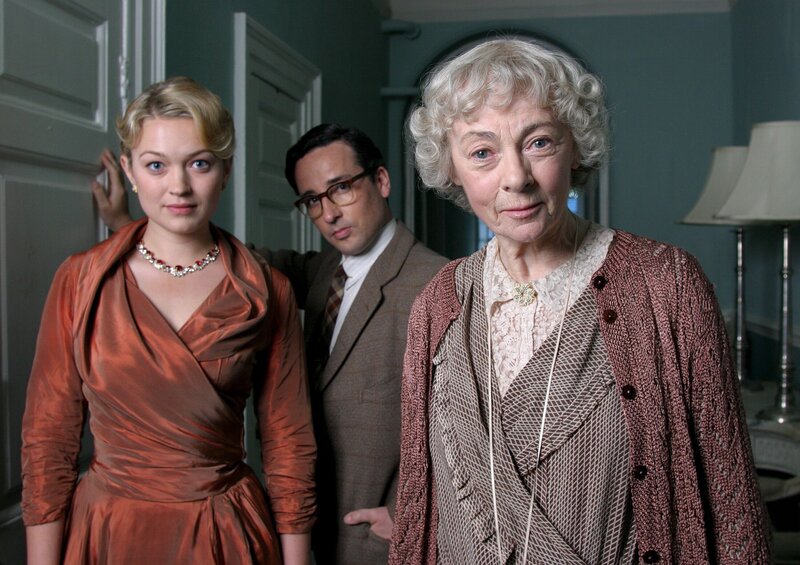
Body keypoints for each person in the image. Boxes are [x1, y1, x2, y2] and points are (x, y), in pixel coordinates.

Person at [389, 39, 771, 564]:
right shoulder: (437, 302)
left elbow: (732, 507)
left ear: (575, 146)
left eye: (539, 142)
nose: (516, 178)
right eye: (481, 153)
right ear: (452, 168)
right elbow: (420, 500)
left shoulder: (668, 284)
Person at [94, 123, 447, 564]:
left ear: (381, 181)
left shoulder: (438, 283)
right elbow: (221, 261)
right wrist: (130, 225)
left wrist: (413, 513)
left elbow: (475, 425)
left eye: (341, 188)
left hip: (383, 543)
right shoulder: (325, 271)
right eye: (312, 200)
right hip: (312, 528)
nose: (329, 213)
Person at [22, 76, 316, 564]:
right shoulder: (80, 280)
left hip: (223, 533)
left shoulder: (268, 290)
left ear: (225, 169)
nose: (178, 186)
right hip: (108, 532)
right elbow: (48, 438)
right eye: (156, 165)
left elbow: (290, 443)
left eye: (199, 163)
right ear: (130, 171)